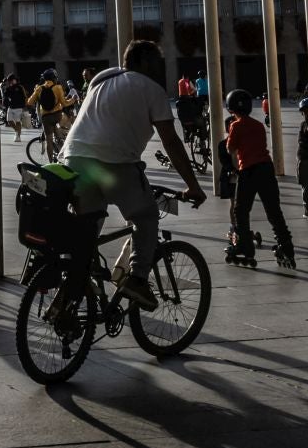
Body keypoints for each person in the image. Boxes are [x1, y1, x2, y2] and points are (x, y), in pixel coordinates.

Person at [58, 41, 208, 307]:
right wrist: (192, 185)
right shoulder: (151, 89)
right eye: (156, 62)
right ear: (144, 62)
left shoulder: (101, 80)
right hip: (113, 164)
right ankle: (137, 279)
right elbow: (171, 142)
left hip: (74, 161)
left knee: (87, 226)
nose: (160, 68)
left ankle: (75, 283)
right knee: (145, 216)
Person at [222, 88, 295, 265]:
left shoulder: (235, 125)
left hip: (248, 170)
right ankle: (286, 246)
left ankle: (245, 246)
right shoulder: (258, 125)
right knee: (273, 211)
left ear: (231, 107)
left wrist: (231, 135)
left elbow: (230, 149)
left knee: (241, 210)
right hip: (266, 169)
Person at [27, 69, 68, 153]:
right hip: (58, 115)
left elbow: (29, 102)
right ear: (54, 78)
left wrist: (39, 98)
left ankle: (50, 162)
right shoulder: (58, 87)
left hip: (46, 117)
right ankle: (62, 148)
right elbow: (64, 103)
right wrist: (73, 99)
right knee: (59, 133)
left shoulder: (39, 88)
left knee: (49, 141)